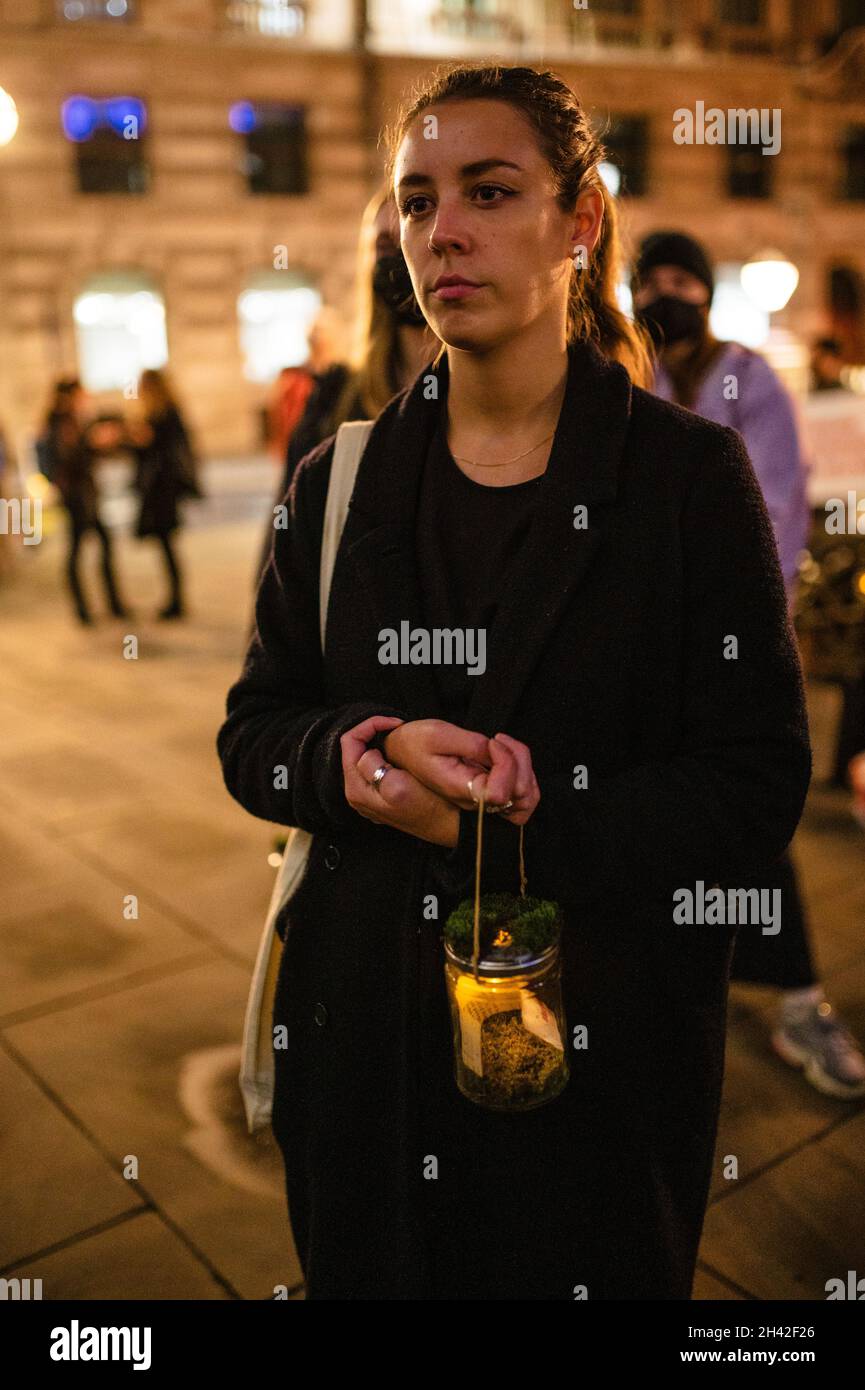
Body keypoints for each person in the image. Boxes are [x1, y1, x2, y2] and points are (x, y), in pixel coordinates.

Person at [218, 65, 811, 1299]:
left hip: (600, 1074)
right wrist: (357, 760)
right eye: (419, 201)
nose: (446, 232)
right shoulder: (338, 481)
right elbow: (254, 733)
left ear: (580, 219)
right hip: (367, 1066)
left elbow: (752, 793)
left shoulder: (687, 486)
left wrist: (514, 819)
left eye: (491, 192)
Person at [632, 230, 865, 1100]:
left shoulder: (747, 377)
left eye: (682, 277)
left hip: (728, 643)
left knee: (752, 822)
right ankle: (676, 991)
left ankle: (800, 1001)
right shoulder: (620, 368)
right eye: (651, 278)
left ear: (705, 289)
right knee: (646, 820)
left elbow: (773, 504)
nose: (667, 291)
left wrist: (734, 618)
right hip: (639, 646)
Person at [254, 186, 440, 586]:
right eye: (383, 245)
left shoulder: (488, 395)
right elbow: (282, 554)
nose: (397, 260)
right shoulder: (335, 399)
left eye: (410, 238)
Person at [40, 377, 129, 625]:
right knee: (77, 551)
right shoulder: (60, 422)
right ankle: (84, 609)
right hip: (76, 497)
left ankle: (111, 604)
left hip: (86, 495)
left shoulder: (73, 420)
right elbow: (67, 458)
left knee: (99, 547)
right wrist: (91, 443)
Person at [127, 369, 199, 621]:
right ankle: (175, 599)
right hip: (162, 491)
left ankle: (177, 601)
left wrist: (144, 440)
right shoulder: (163, 414)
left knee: (168, 546)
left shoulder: (164, 415)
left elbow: (168, 452)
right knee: (167, 546)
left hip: (162, 491)